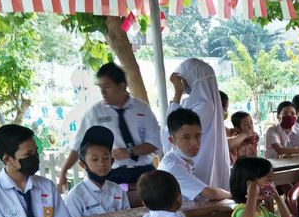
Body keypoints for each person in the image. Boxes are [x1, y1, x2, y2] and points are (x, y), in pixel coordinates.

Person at [59, 62, 161, 189]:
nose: (103, 92)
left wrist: (130, 151)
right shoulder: (95, 113)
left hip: (144, 171)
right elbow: (77, 146)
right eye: (100, 87)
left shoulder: (142, 109)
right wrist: (63, 171)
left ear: (122, 86)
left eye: (107, 87)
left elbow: (154, 143)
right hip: (112, 174)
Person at [166, 58, 231, 190]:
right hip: (197, 158)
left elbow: (170, 128)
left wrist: (177, 93)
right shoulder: (201, 102)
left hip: (198, 160)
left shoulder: (205, 105)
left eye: (183, 80)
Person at [158, 108, 231, 201]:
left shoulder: (184, 160)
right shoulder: (172, 167)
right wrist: (236, 195)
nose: (194, 143)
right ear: (172, 140)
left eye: (198, 135)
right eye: (186, 137)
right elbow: (210, 193)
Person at [66, 126, 131, 217]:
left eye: (106, 158)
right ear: (83, 165)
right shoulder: (75, 197)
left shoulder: (118, 191)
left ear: (111, 162)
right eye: (95, 159)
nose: (102, 163)